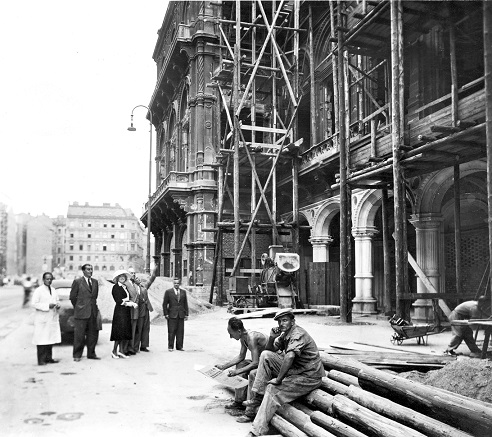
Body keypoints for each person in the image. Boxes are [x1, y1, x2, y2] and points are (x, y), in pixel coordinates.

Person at [244, 308, 325, 436]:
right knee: (265, 355)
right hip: (296, 371)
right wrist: (271, 337)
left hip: (309, 376)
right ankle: (258, 397)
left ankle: (257, 431)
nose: (281, 324)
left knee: (272, 389)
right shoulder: (285, 334)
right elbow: (271, 350)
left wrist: (278, 379)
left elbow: (290, 357)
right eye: (279, 321)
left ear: (293, 321)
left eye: (285, 320)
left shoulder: (297, 334)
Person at [215, 317, 268, 416]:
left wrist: (236, 372)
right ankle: (239, 401)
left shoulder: (251, 338)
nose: (230, 336)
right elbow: (241, 356)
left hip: (270, 363)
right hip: (261, 361)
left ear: (239, 331)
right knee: (241, 364)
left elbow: (255, 363)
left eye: (231, 333)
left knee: (252, 373)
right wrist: (223, 367)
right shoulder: (243, 337)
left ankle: (250, 411)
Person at [70, 264, 100, 361]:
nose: (90, 271)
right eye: (88, 269)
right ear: (83, 271)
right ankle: (77, 355)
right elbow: (72, 297)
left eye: (91, 269)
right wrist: (79, 307)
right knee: (80, 335)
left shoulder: (95, 282)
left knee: (93, 334)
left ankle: (91, 354)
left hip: (92, 312)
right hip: (81, 312)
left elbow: (94, 297)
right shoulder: (77, 282)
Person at [31, 272, 61, 365]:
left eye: (51, 279)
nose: (49, 280)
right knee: (41, 340)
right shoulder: (39, 290)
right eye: (47, 279)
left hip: (51, 318)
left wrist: (58, 304)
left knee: (50, 339)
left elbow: (56, 300)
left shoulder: (53, 290)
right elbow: (34, 304)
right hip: (42, 318)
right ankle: (41, 360)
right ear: (43, 280)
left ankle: (49, 358)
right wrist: (47, 305)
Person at [110, 270, 136, 359]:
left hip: (125, 311)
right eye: (120, 276)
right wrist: (130, 304)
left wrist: (131, 302)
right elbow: (118, 301)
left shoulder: (124, 287)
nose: (122, 278)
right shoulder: (115, 287)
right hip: (120, 312)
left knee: (124, 332)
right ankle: (114, 351)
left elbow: (127, 298)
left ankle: (121, 351)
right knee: (118, 332)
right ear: (117, 278)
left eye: (123, 276)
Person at [131, 266, 157, 352]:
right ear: (134, 280)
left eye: (139, 278)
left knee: (146, 328)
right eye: (137, 278)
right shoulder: (133, 288)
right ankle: (135, 347)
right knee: (139, 329)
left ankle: (144, 346)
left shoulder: (143, 286)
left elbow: (151, 280)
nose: (139, 279)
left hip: (146, 310)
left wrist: (154, 272)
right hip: (139, 311)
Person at [163, 277, 188, 351]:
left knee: (180, 331)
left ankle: (179, 346)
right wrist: (166, 314)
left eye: (177, 283)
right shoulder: (168, 292)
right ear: (173, 284)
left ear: (179, 284)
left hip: (180, 314)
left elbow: (185, 303)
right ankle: (170, 346)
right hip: (172, 314)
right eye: (175, 283)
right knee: (171, 331)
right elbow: (164, 304)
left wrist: (186, 314)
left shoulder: (183, 292)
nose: (176, 285)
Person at [122, 269, 139, 355]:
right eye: (131, 273)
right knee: (127, 330)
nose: (133, 274)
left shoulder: (135, 284)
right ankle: (125, 349)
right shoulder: (125, 284)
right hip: (128, 310)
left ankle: (131, 348)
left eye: (134, 273)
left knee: (133, 330)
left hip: (135, 311)